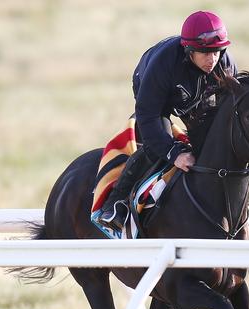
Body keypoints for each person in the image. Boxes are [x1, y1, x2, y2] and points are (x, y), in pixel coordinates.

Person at [97, 10, 238, 231]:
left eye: (217, 52)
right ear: (189, 50)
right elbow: (147, 115)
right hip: (154, 95)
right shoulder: (164, 64)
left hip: (194, 97)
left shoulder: (224, 64)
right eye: (204, 53)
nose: (212, 60)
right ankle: (115, 203)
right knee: (158, 146)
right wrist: (174, 154)